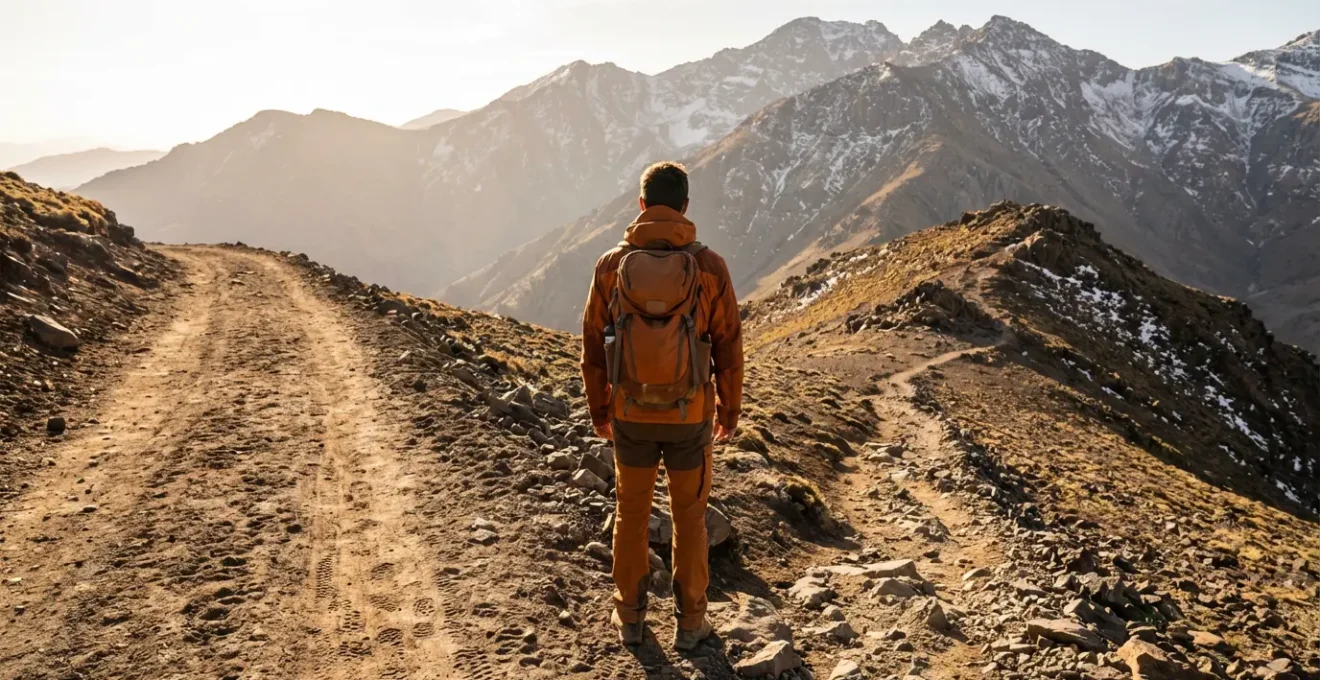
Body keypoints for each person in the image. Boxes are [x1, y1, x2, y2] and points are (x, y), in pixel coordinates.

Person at [581, 161, 744, 650]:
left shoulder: (611, 265)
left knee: (631, 514)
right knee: (690, 519)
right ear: (686, 207)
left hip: (630, 414)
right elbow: (728, 345)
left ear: (641, 205)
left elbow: (592, 343)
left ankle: (630, 619)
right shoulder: (709, 266)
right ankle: (691, 624)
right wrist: (729, 412)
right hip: (689, 417)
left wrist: (600, 410)